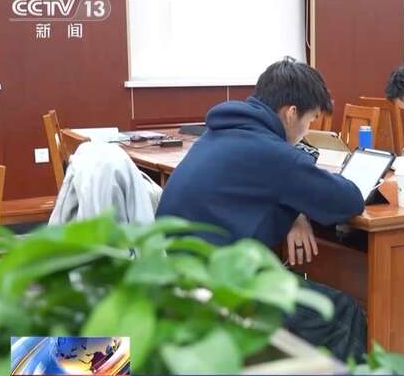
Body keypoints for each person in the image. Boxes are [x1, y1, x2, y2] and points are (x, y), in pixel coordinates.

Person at [156, 57, 367, 361]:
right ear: (291, 114)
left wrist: (297, 212)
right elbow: (349, 200)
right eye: (310, 121)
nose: (307, 131)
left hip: (172, 278)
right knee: (342, 313)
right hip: (218, 290)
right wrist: (299, 199)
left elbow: (260, 186)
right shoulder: (274, 154)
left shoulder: (219, 133)